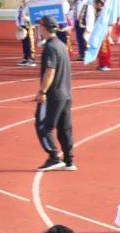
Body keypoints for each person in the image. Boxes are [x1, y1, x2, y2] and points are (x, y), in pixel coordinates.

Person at [34, 17, 75, 173]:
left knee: (43, 126)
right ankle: (69, 160)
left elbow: (50, 71)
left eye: (39, 26)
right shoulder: (61, 45)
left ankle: (53, 157)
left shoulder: (50, 48)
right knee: (64, 128)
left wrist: (42, 91)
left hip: (54, 94)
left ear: (44, 28)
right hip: (66, 93)